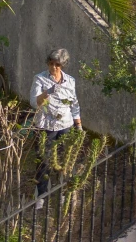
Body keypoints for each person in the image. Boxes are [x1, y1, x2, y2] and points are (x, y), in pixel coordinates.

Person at [30, 48, 81, 208]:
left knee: (64, 159)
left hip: (65, 124)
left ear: (63, 66)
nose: (53, 68)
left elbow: (74, 103)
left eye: (57, 65)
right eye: (51, 64)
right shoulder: (39, 79)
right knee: (43, 160)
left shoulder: (70, 81)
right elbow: (34, 102)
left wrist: (78, 124)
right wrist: (48, 92)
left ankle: (64, 191)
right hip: (46, 126)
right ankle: (41, 194)